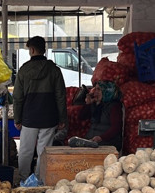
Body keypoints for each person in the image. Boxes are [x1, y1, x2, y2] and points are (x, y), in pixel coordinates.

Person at [13, 36, 67, 181]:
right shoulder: (54, 70)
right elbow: (61, 96)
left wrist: (17, 118)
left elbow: (17, 97)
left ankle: (24, 179)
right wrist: (62, 118)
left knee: (25, 150)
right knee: (44, 151)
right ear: (44, 49)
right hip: (49, 117)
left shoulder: (24, 70)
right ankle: (40, 180)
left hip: (29, 116)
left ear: (32, 50)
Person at [70, 81, 123, 151]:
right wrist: (88, 104)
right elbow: (81, 117)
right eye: (95, 89)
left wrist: (101, 138)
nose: (95, 92)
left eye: (99, 89)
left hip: (107, 142)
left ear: (107, 91)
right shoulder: (95, 104)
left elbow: (116, 128)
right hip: (91, 141)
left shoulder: (114, 106)